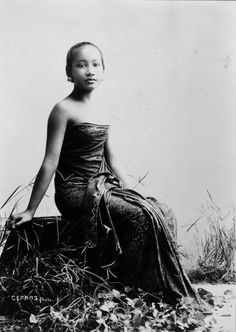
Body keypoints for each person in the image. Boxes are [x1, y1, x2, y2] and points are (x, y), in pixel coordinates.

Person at [9, 42, 199, 304]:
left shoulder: (104, 109)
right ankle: (132, 288)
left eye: (95, 64)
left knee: (159, 210)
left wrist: (132, 193)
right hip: (74, 192)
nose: (89, 70)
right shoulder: (63, 109)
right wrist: (30, 210)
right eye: (81, 64)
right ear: (69, 72)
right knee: (138, 217)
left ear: (103, 70)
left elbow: (113, 160)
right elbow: (49, 163)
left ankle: (154, 287)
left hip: (102, 187)